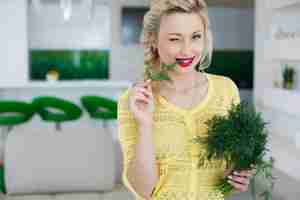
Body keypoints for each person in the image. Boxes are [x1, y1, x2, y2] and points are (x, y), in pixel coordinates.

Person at [117, 0, 254, 199]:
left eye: (195, 37)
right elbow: (142, 189)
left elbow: (227, 176)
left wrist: (238, 176)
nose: (187, 50)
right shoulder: (135, 101)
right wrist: (145, 124)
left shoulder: (226, 90)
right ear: (154, 40)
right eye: (175, 39)